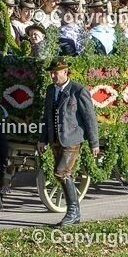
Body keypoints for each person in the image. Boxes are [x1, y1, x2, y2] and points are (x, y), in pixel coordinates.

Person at [38, 61, 99, 227]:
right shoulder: (51, 90)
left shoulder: (78, 90)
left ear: (65, 72)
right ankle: (75, 214)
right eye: (51, 73)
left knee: (61, 172)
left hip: (72, 139)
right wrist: (43, 139)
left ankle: (72, 211)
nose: (52, 76)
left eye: (55, 73)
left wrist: (94, 142)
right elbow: (46, 116)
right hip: (55, 139)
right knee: (64, 174)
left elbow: (89, 118)